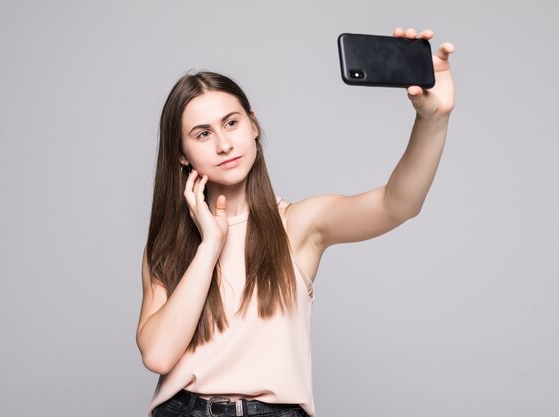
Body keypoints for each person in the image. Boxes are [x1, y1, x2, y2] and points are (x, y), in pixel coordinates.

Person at [137, 27, 455, 417]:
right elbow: (157, 355)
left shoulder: (298, 224)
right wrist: (209, 246)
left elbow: (398, 204)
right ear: (182, 154)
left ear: (253, 125)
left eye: (231, 123)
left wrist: (434, 119)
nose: (223, 143)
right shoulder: (167, 246)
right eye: (203, 134)